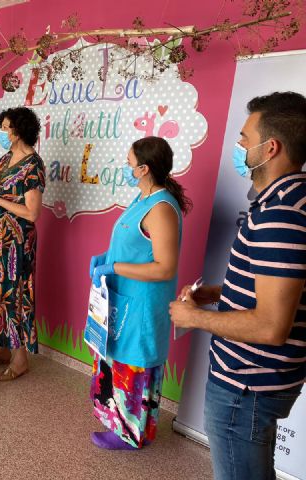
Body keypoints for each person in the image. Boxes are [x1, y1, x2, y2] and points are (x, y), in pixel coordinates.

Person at [170, 91, 306, 480]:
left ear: (271, 147)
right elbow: (274, 285)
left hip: (245, 388)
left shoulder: (281, 214)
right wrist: (216, 293)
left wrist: (194, 317)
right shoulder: (288, 201)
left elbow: (270, 326)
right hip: (253, 385)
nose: (240, 146)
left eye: (245, 138)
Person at [88, 136, 192, 450]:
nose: (126, 167)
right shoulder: (142, 199)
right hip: (123, 300)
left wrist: (115, 267)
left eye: (130, 163)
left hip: (143, 306)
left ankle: (130, 433)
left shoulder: (161, 208)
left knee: (134, 365)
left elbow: (164, 268)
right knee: (118, 361)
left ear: (144, 169)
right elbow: (133, 246)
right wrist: (105, 259)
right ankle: (118, 423)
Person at [0, 106, 46, 381]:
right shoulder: (6, 159)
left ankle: (20, 359)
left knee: (14, 294)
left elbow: (32, 212)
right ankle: (3, 348)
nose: (2, 133)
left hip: (17, 241)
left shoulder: (32, 165)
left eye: (6, 128)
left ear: (18, 131)